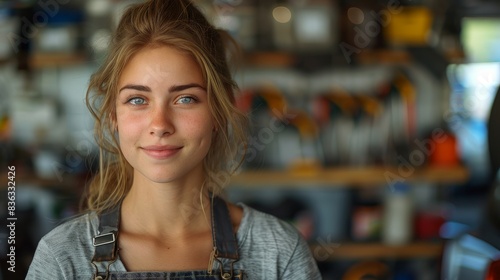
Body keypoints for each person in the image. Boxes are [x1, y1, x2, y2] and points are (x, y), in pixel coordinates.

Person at [26, 0, 322, 279]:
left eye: (185, 98)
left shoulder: (280, 252)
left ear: (219, 110)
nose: (160, 125)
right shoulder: (62, 257)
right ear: (113, 114)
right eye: (137, 99)